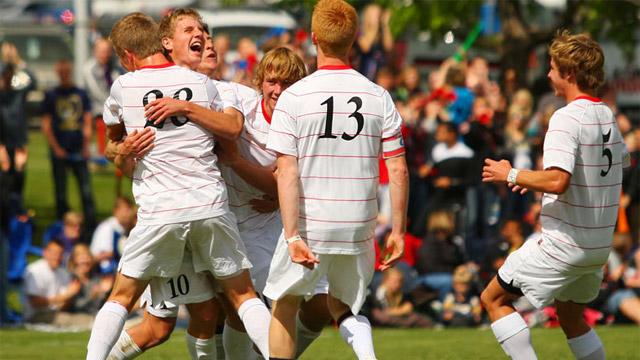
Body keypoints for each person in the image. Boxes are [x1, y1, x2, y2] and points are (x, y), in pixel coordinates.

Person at [87, 11, 270, 360]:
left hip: (162, 212)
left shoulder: (125, 86)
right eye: (191, 31)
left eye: (203, 32)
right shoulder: (205, 85)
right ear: (164, 43)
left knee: (123, 297)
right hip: (210, 207)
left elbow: (111, 137)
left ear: (127, 57)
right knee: (236, 299)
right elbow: (118, 150)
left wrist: (179, 109)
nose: (202, 39)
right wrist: (124, 150)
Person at [264, 1, 409, 359]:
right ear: (354, 38)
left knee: (284, 302)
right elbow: (398, 169)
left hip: (312, 223)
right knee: (343, 304)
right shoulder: (379, 96)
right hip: (358, 223)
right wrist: (398, 232)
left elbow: (287, 170)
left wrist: (293, 233)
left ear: (313, 37)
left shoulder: (294, 97)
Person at [481, 31, 629, 360]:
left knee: (494, 299)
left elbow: (559, 180)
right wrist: (535, 181)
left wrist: (512, 174)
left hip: (563, 245)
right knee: (570, 315)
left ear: (569, 73)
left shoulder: (565, 117)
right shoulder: (608, 116)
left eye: (552, 67)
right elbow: (607, 168)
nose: (548, 74)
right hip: (596, 250)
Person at [41, 59, 96, 233]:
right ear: (58, 73)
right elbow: (46, 125)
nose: (64, 75)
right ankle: (63, 227)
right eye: (61, 72)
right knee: (61, 192)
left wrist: (86, 146)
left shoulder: (80, 93)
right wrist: (56, 148)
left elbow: (87, 121)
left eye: (67, 71)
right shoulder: (51, 95)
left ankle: (90, 227)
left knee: (86, 191)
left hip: (78, 149)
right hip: (59, 151)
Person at [0, 42, 36, 215]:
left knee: (19, 174)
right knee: (4, 175)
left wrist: (17, 62)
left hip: (18, 138)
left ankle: (17, 210)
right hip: (2, 140)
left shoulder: (18, 90)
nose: (6, 78)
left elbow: (32, 81)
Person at [82, 37, 122, 164]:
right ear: (95, 51)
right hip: (94, 105)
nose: (104, 54)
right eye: (101, 51)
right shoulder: (88, 68)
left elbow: (120, 82)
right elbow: (94, 91)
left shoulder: (114, 66)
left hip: (113, 104)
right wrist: (112, 102)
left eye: (107, 51)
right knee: (100, 121)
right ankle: (99, 154)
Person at [23, 239, 80, 325]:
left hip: (57, 313)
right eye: (54, 253)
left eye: (60, 253)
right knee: (73, 320)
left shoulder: (64, 272)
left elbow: (64, 304)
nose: (57, 257)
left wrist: (69, 297)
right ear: (45, 253)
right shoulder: (34, 270)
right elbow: (35, 302)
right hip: (35, 315)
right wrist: (66, 296)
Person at [90, 196, 135, 274]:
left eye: (130, 210)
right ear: (116, 211)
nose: (129, 214)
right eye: (126, 210)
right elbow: (105, 255)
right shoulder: (107, 228)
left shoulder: (125, 228)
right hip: (105, 272)